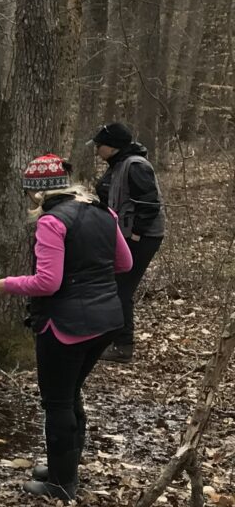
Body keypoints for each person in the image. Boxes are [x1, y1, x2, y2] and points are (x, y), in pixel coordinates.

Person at [0, 154, 133, 501]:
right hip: (107, 321)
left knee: (56, 401)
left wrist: (7, 284)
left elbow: (47, 282)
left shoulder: (52, 222)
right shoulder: (104, 213)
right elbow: (125, 262)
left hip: (66, 325)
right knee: (70, 395)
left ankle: (60, 484)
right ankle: (63, 469)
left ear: (37, 192)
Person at [90, 122, 166, 362]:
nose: (97, 150)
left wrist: (136, 234)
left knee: (122, 288)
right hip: (124, 235)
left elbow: (150, 203)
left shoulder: (135, 166)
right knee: (115, 286)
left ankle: (123, 346)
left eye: (100, 145)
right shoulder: (119, 164)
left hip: (141, 238)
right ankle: (111, 339)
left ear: (112, 147)